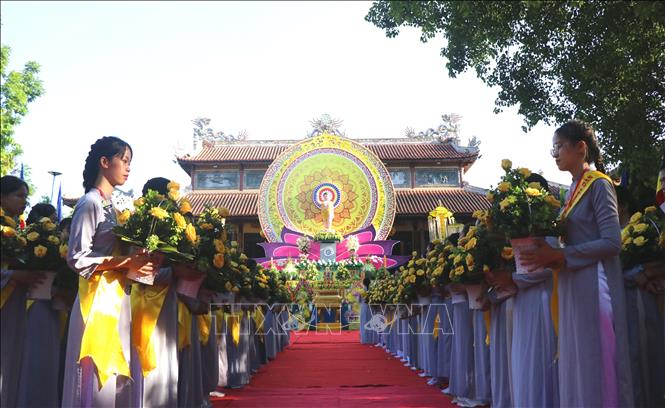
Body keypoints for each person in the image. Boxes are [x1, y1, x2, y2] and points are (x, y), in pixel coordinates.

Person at [521, 119, 633, 407]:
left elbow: (612, 242)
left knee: (596, 362)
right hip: (572, 283)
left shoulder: (598, 185)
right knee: (576, 361)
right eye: (553, 148)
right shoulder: (571, 191)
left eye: (559, 147)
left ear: (581, 148)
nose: (554, 154)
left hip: (595, 286)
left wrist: (561, 256)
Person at [61, 136, 161, 407]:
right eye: (124, 161)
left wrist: (138, 260)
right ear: (104, 162)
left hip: (117, 296)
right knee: (95, 371)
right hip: (95, 302)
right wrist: (124, 263)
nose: (128, 168)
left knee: (114, 371)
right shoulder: (90, 202)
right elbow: (76, 258)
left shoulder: (112, 208)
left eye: (130, 162)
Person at [507, 173, 559, 407]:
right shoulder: (517, 231)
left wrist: (514, 279)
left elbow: (554, 264)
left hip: (545, 297)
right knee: (524, 357)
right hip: (522, 299)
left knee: (542, 355)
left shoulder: (553, 230)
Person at [617, 185, 665, 408]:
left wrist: (649, 273)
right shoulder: (609, 235)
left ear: (623, 205)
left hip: (644, 301)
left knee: (648, 356)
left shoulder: (642, 230)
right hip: (620, 303)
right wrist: (638, 274)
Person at [1, 175, 46, 408]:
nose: (24, 202)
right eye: (19, 196)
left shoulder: (16, 229)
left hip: (14, 301)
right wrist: (13, 275)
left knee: (10, 362)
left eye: (26, 197)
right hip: (5, 296)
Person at [16, 204, 62, 407]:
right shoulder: (21, 240)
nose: (55, 222)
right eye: (52, 218)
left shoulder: (56, 243)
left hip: (49, 303)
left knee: (46, 362)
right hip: (29, 304)